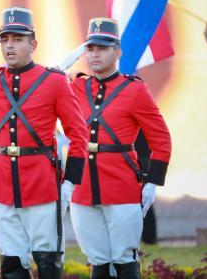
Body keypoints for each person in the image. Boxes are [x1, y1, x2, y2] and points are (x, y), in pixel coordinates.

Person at [0, 7, 88, 278]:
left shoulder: (54, 82)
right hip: (1, 182)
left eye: (17, 39)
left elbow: (79, 135)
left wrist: (69, 184)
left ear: (33, 44)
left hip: (42, 183)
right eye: (5, 40)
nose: (9, 46)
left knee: (47, 261)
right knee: (11, 264)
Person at [69, 18, 172, 278]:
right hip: (82, 187)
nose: (94, 54)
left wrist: (152, 183)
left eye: (102, 48)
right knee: (97, 259)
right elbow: (42, 85)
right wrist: (64, 63)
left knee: (125, 258)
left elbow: (161, 139)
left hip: (122, 184)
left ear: (117, 52)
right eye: (90, 48)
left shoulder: (135, 90)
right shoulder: (76, 86)